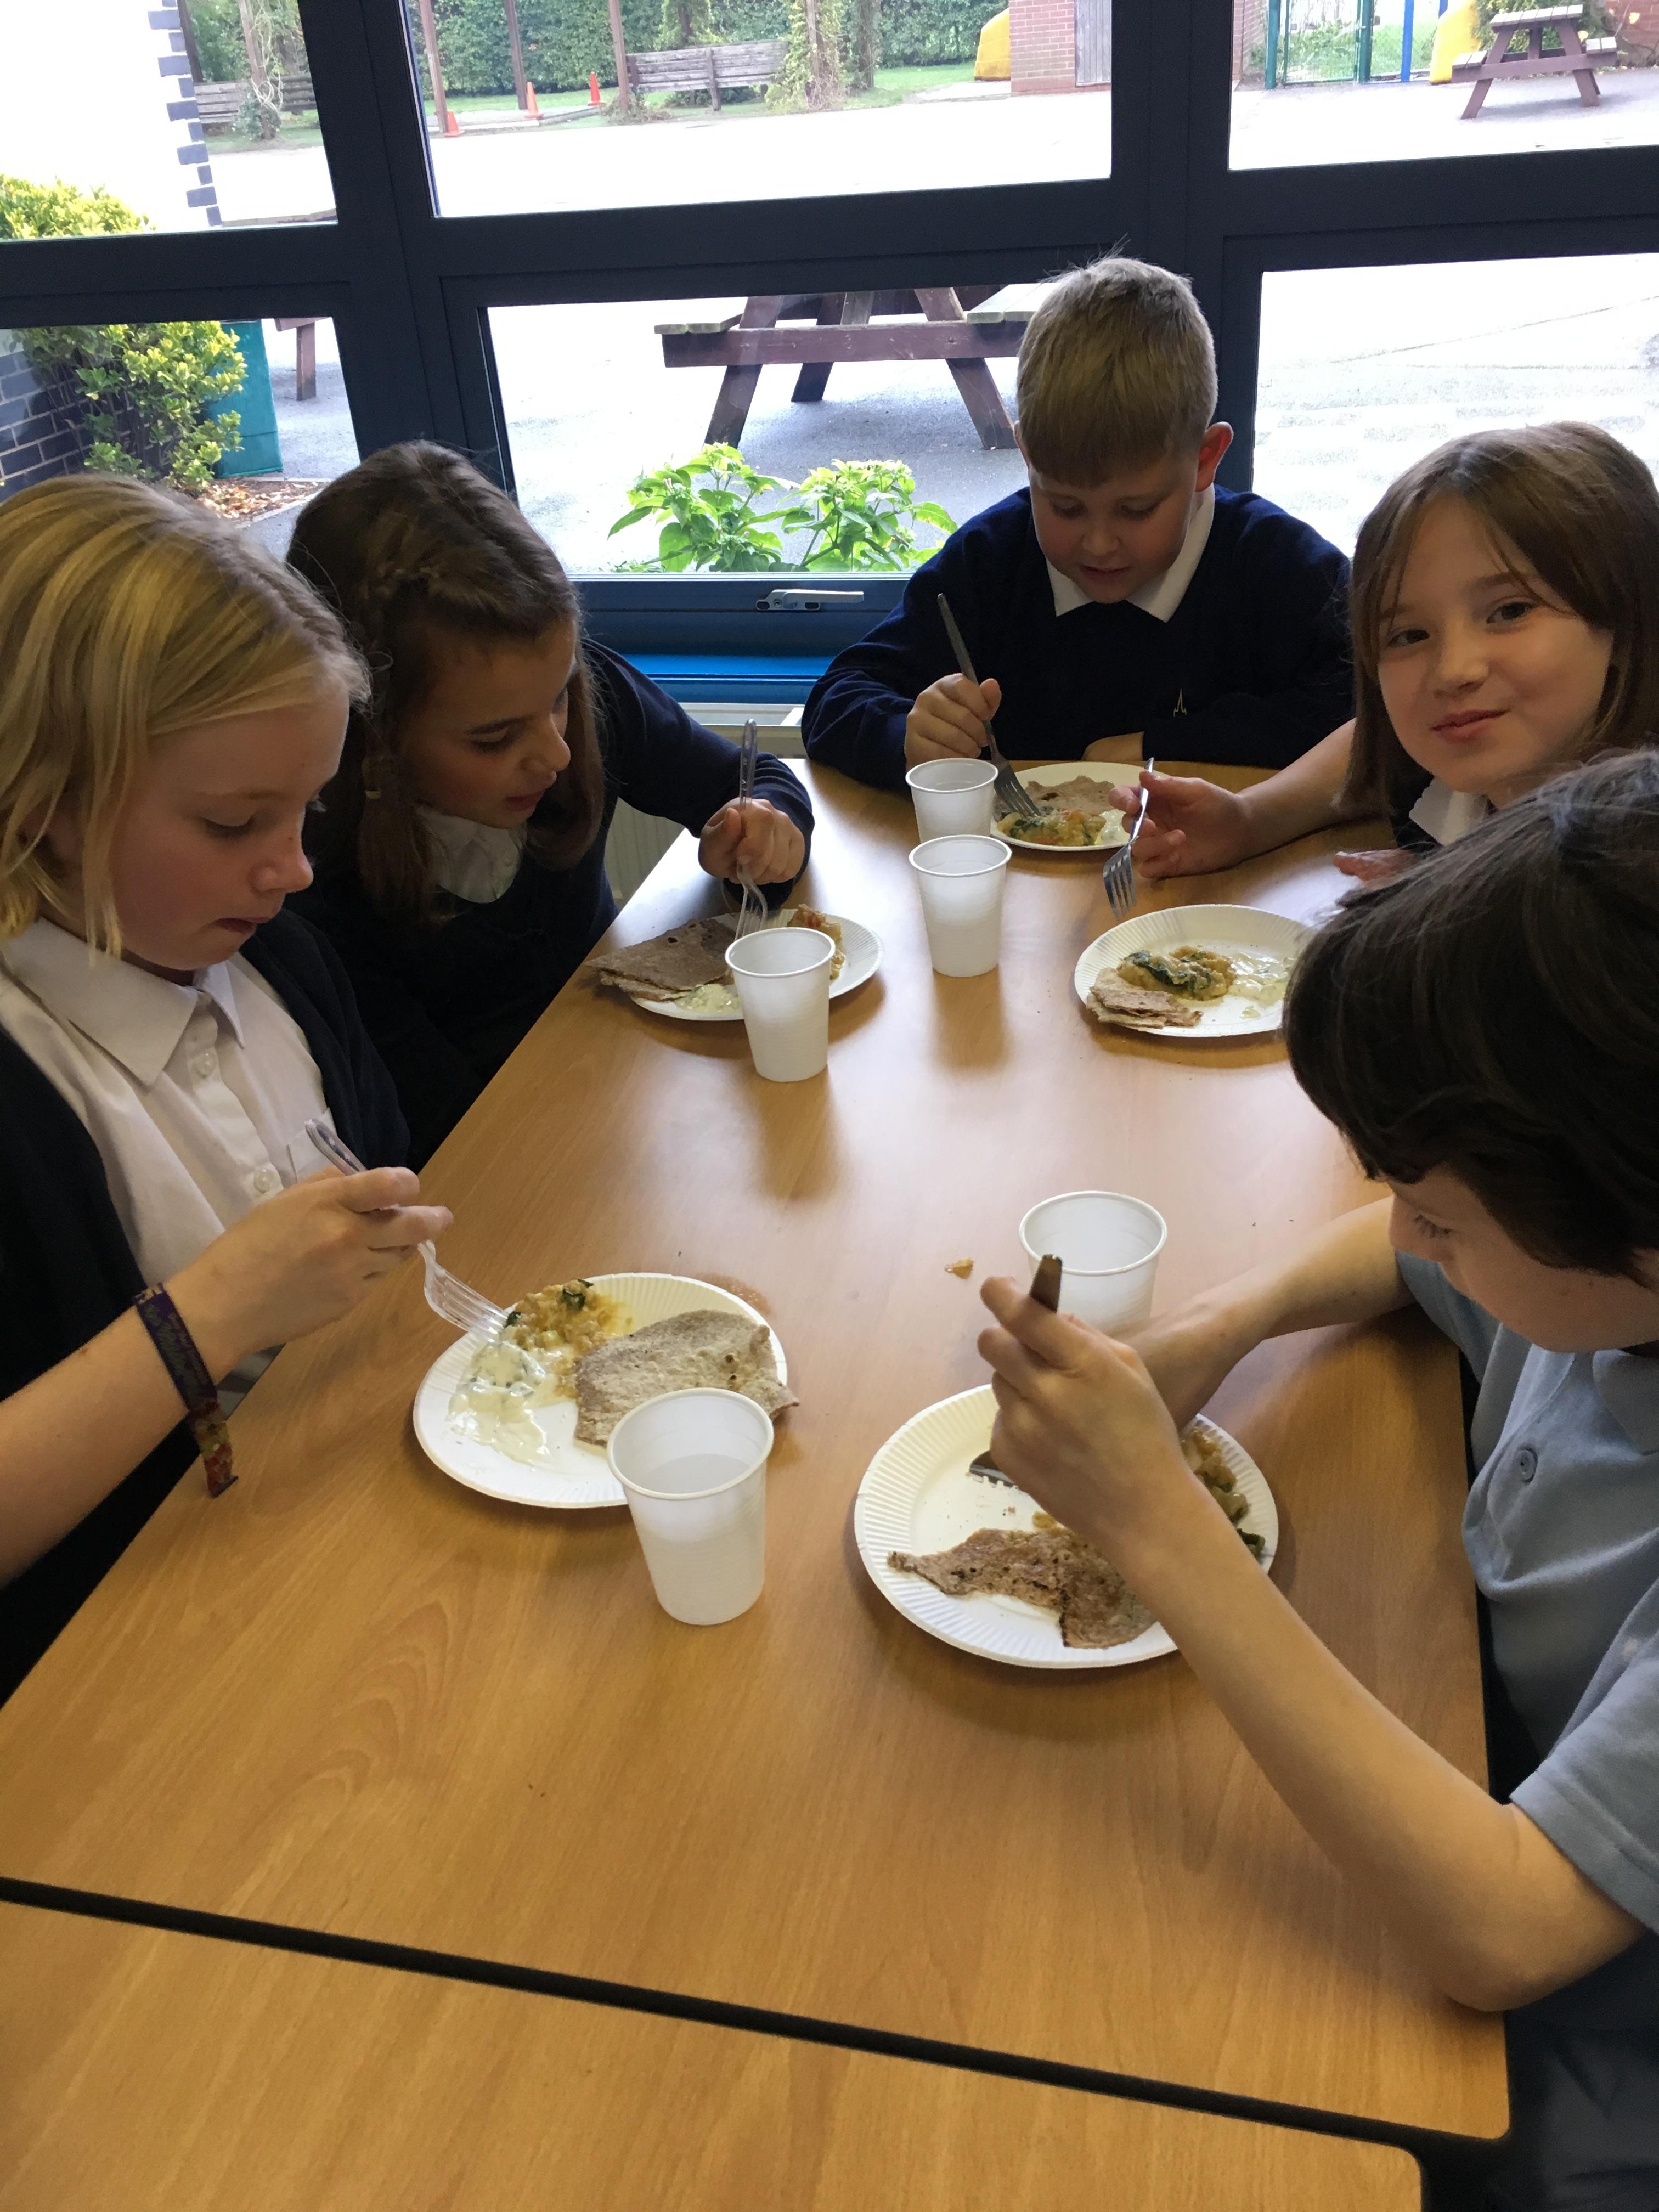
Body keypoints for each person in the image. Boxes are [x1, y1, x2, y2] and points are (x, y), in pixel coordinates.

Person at [978, 749, 1659, 2212]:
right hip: (1473, 1750)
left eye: (1440, 1211)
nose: (1406, 1235)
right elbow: (1413, 1264)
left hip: (1575, 2088)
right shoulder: (1603, 1272)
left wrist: (1155, 1517)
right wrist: (1224, 1325)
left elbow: (1501, 1933)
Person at [0, 476, 450, 1700]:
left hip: (354, 1530)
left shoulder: (274, 958)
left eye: (306, 810)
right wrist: (209, 1313)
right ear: (42, 805)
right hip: (140, 1667)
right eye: (235, 821)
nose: (295, 867)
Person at [286, 444, 815, 1164]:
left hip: (627, 1092)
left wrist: (770, 830)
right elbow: (451, 1138)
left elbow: (751, 777)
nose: (557, 754)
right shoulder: (316, 883)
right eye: (494, 739)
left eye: (561, 696)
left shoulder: (587, 697)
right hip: (510, 1159)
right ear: (371, 736)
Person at [800, 256, 1351, 791]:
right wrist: (907, 735)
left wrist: (1165, 744)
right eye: (1065, 506)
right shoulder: (989, 561)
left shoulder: (1274, 563)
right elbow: (837, 697)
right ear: (1027, 454)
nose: (1100, 543)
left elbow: (1369, 708)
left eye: (1137, 510)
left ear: (1206, 459)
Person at [1109, 422, 1659, 885]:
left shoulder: (1625, 896)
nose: (1453, 671)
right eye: (1409, 635)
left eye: (1510, 611)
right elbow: (1375, 743)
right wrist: (1248, 821)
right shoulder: (1481, 769)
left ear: (1628, 617)